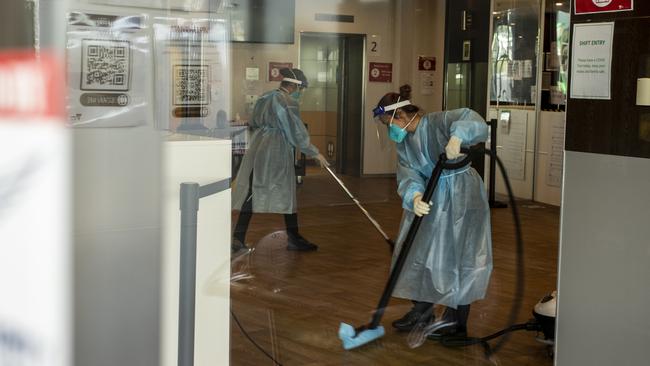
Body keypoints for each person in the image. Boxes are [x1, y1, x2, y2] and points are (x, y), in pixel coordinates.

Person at [372, 85, 492, 338]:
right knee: (419, 251)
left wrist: (457, 137)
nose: (389, 129)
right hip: (432, 196)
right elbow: (408, 173)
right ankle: (422, 312)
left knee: (460, 257)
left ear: (402, 117)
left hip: (462, 195)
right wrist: (413, 195)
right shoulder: (404, 143)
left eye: (388, 123)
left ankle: (455, 323)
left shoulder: (437, 122)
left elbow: (471, 118)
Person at [231, 68, 328, 254]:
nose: (302, 93)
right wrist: (314, 152)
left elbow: (253, 122)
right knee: (287, 190)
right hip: (276, 149)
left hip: (259, 146)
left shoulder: (265, 97)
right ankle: (294, 238)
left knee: (254, 190)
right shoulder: (287, 101)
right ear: (294, 86)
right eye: (302, 88)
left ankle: (238, 237)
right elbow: (295, 130)